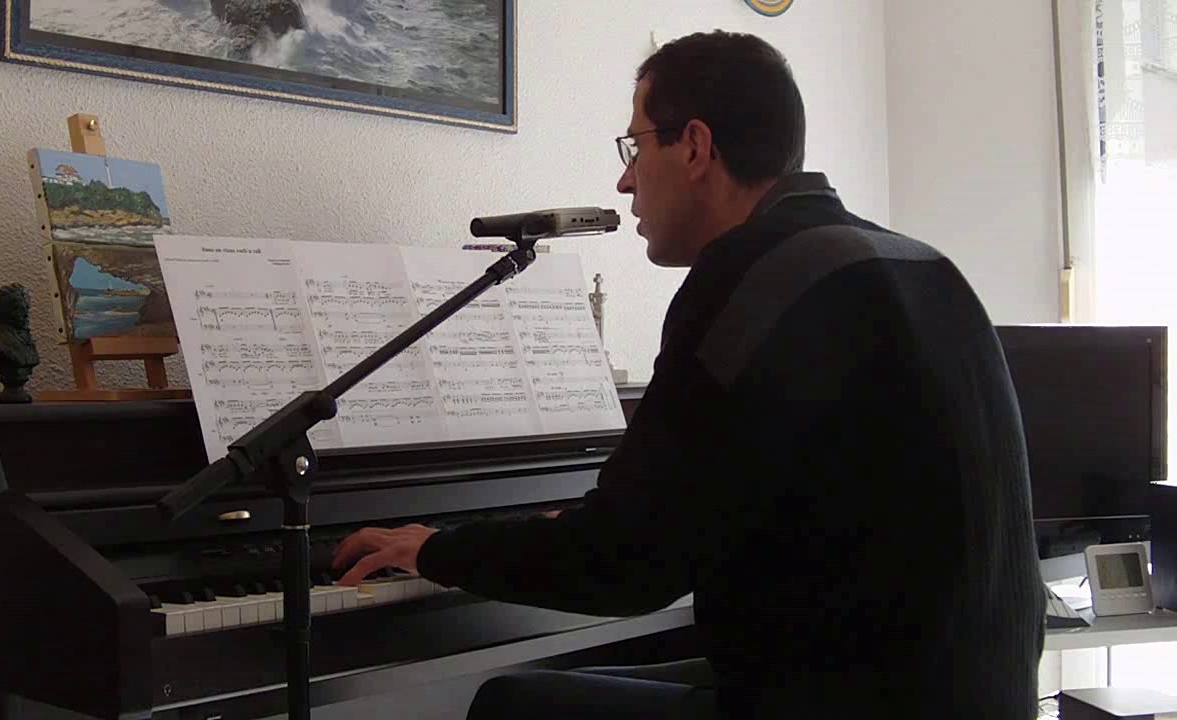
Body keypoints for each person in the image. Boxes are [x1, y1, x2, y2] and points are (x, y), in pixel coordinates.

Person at [332, 30, 1046, 720]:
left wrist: (437, 548)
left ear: (696, 146)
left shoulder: (752, 276)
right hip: (959, 694)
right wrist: (586, 526)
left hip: (850, 700)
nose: (624, 178)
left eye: (636, 146)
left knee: (510, 705)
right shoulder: (919, 265)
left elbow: (629, 565)